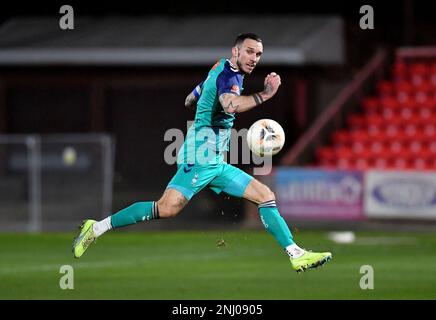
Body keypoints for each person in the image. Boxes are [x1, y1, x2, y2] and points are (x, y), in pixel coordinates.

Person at [72, 33, 332, 273]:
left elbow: (205, 82)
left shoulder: (222, 66)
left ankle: (295, 253)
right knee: (166, 208)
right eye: (250, 52)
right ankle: (95, 228)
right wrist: (266, 94)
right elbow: (230, 105)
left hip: (215, 161)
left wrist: (194, 95)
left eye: (259, 54)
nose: (254, 58)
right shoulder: (229, 78)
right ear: (236, 51)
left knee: (265, 196)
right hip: (200, 156)